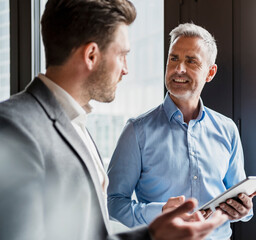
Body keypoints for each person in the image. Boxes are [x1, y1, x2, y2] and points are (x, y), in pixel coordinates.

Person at [0, 1, 228, 240]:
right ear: (91, 55)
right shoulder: (14, 128)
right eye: (122, 55)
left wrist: (152, 235)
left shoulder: (77, 124)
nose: (126, 69)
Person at [107, 22, 256, 240]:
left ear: (210, 72)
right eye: (174, 58)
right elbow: (112, 202)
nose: (179, 69)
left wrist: (243, 210)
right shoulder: (136, 131)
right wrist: (158, 213)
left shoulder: (227, 130)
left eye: (191, 61)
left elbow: (239, 199)